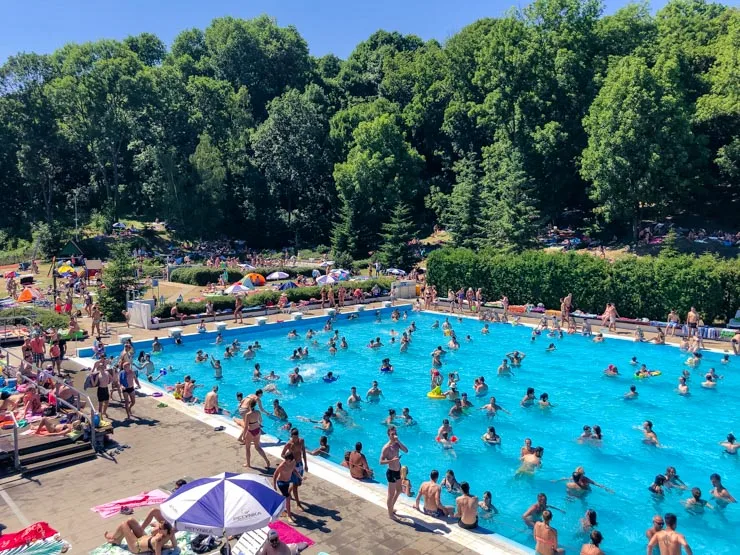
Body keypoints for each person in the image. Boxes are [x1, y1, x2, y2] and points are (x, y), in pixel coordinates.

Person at [380, 426, 408, 519]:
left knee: (399, 490)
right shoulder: (386, 448)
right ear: (388, 435)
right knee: (391, 494)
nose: (394, 435)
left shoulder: (397, 444)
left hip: (398, 470)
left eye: (395, 433)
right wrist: (391, 461)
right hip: (391, 472)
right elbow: (381, 462)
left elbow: (406, 450)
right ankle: (390, 514)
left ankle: (391, 507)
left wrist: (398, 441)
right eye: (392, 434)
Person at [105, 518, 175, 555]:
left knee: (123, 525)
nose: (158, 528)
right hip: (144, 537)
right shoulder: (170, 533)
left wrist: (161, 547)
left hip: (136, 546)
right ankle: (117, 539)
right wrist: (166, 546)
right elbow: (174, 545)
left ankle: (113, 537)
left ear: (165, 530)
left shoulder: (158, 541)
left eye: (160, 528)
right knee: (130, 520)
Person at [281, 428, 308, 508]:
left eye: (296, 437)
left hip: (300, 464)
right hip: (293, 466)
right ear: (291, 436)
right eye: (294, 437)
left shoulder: (301, 441)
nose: (295, 439)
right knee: (295, 484)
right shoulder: (289, 444)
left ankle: (289, 492)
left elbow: (304, 452)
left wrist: (306, 464)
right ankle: (298, 503)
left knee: (298, 483)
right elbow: (282, 454)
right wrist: (289, 461)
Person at [273, 451, 303, 521]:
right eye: (285, 459)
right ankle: (289, 516)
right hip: (281, 482)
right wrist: (274, 486)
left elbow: (294, 471)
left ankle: (278, 507)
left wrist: (300, 477)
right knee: (288, 497)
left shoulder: (293, 462)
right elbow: (275, 475)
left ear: (291, 460)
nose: (285, 461)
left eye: (287, 460)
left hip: (287, 482)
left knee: (284, 497)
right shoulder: (282, 466)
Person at [242, 398, 270, 469]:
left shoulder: (248, 414)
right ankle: (267, 460)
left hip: (251, 431)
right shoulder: (258, 412)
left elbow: (245, 426)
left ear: (249, 405)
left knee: (247, 448)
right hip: (257, 430)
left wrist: (243, 436)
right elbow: (260, 420)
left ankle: (248, 464)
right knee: (257, 447)